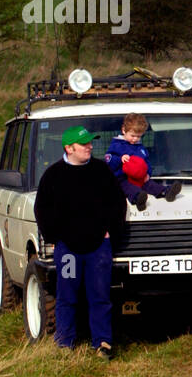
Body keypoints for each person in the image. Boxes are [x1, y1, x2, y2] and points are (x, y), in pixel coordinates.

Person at [33, 125, 127, 360]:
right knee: (66, 297)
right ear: (69, 147)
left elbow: (118, 204)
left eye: (90, 143)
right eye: (84, 143)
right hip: (68, 251)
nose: (89, 147)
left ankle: (103, 344)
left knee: (100, 296)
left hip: (99, 249)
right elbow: (42, 210)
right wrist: (55, 238)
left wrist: (111, 233)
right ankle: (65, 344)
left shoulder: (101, 170)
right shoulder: (53, 175)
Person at [104, 113, 181, 210]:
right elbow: (108, 160)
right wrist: (120, 159)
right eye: (132, 135)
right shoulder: (116, 145)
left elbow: (146, 162)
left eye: (138, 136)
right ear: (124, 130)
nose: (135, 139)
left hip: (140, 177)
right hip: (123, 178)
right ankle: (138, 198)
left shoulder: (140, 148)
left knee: (150, 184)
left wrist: (148, 173)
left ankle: (166, 191)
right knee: (129, 188)